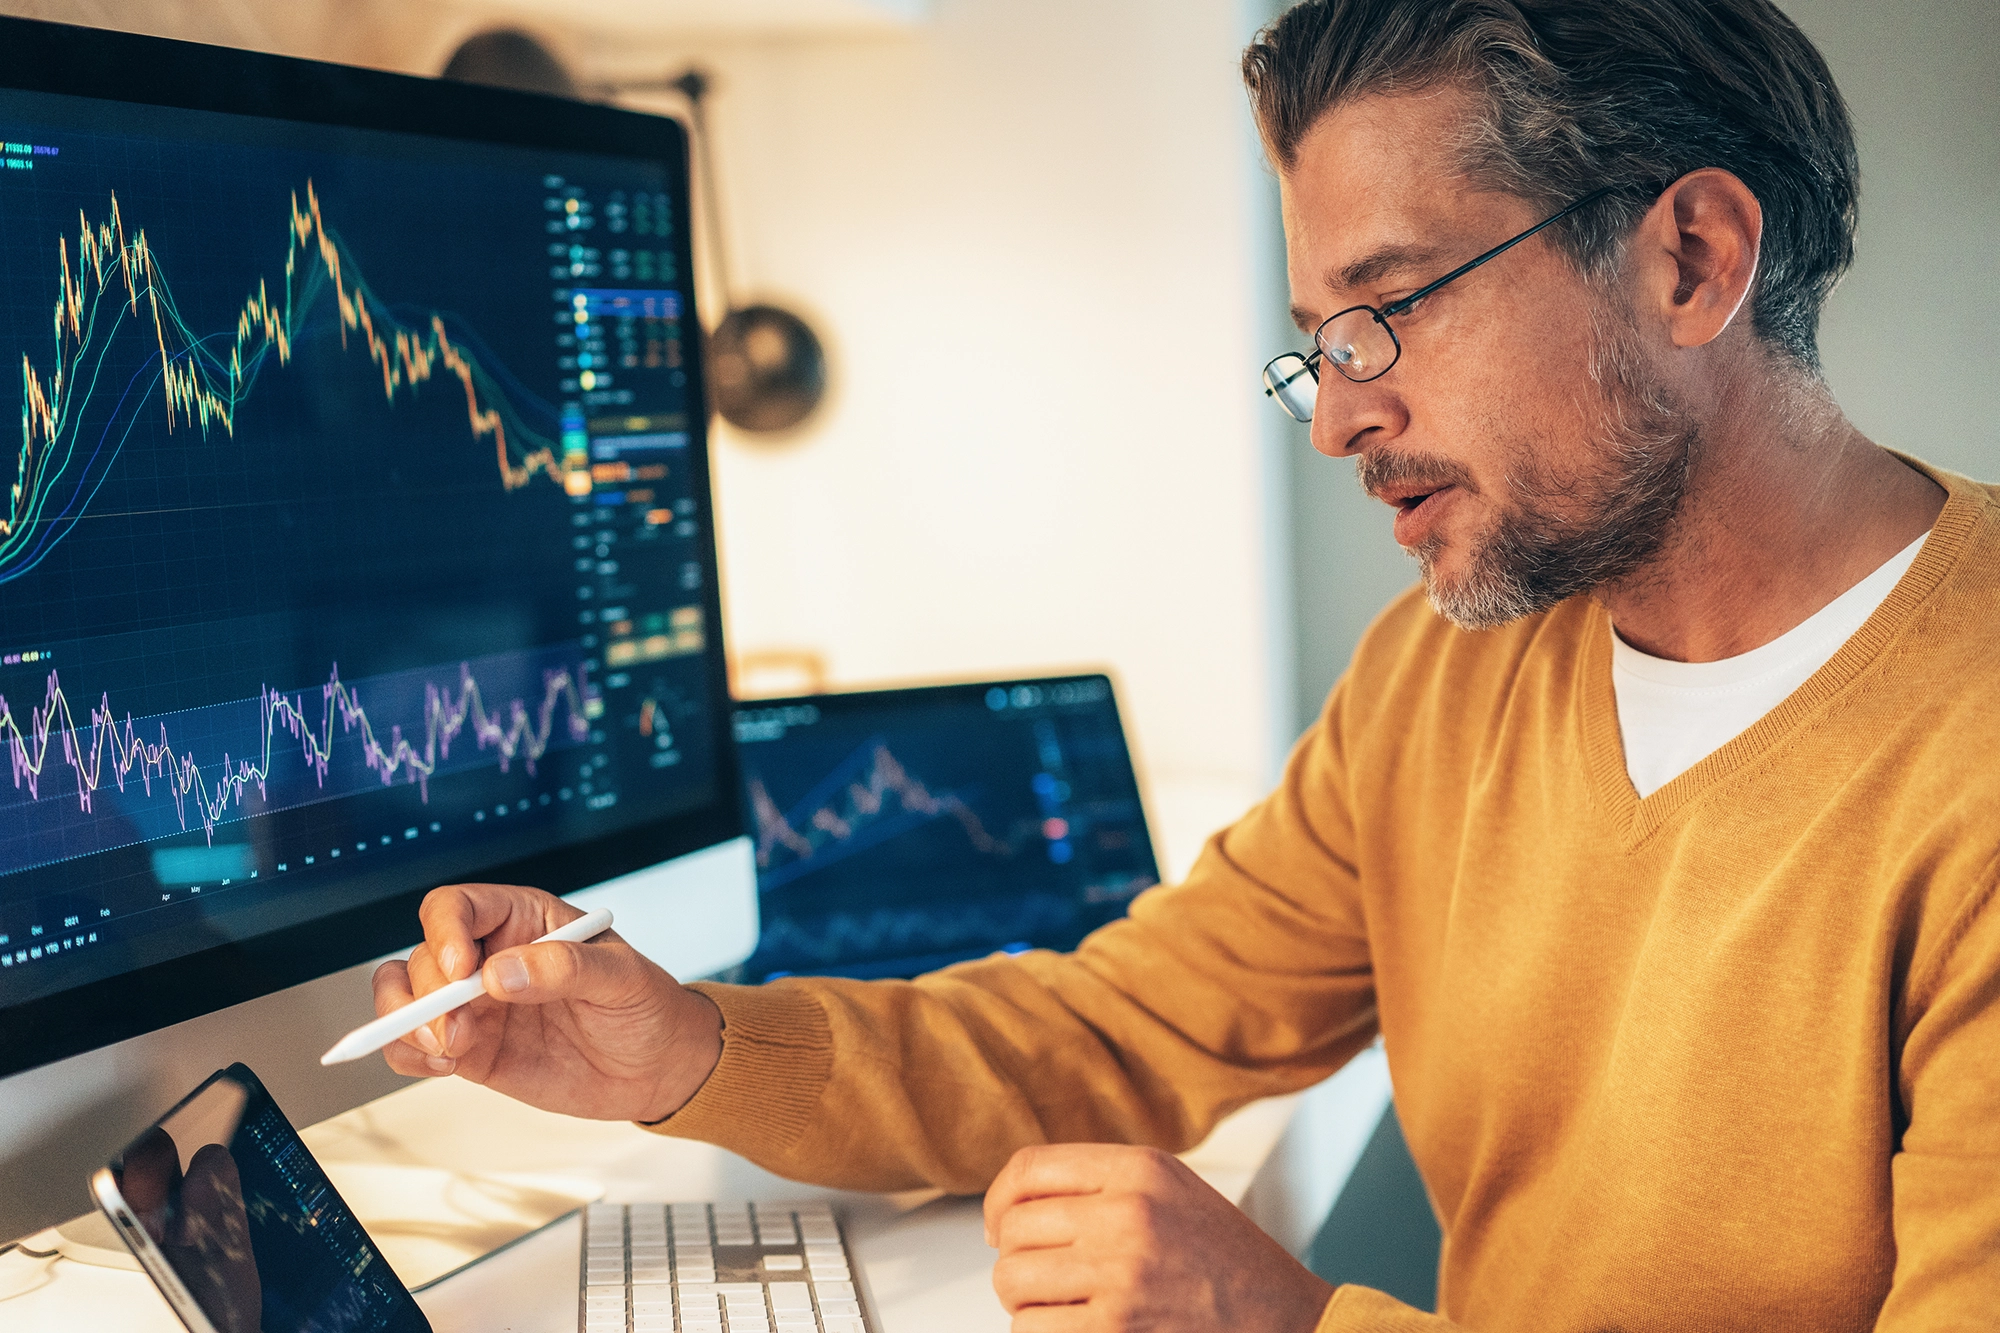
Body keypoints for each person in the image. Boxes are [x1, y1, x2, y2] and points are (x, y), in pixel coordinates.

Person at [373, 1, 2000, 1328]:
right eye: (1320, 343)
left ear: (1693, 260)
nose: (1346, 416)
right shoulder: (1440, 682)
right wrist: (685, 1048)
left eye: (1392, 311)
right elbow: (1118, 1030)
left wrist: (1292, 1331)